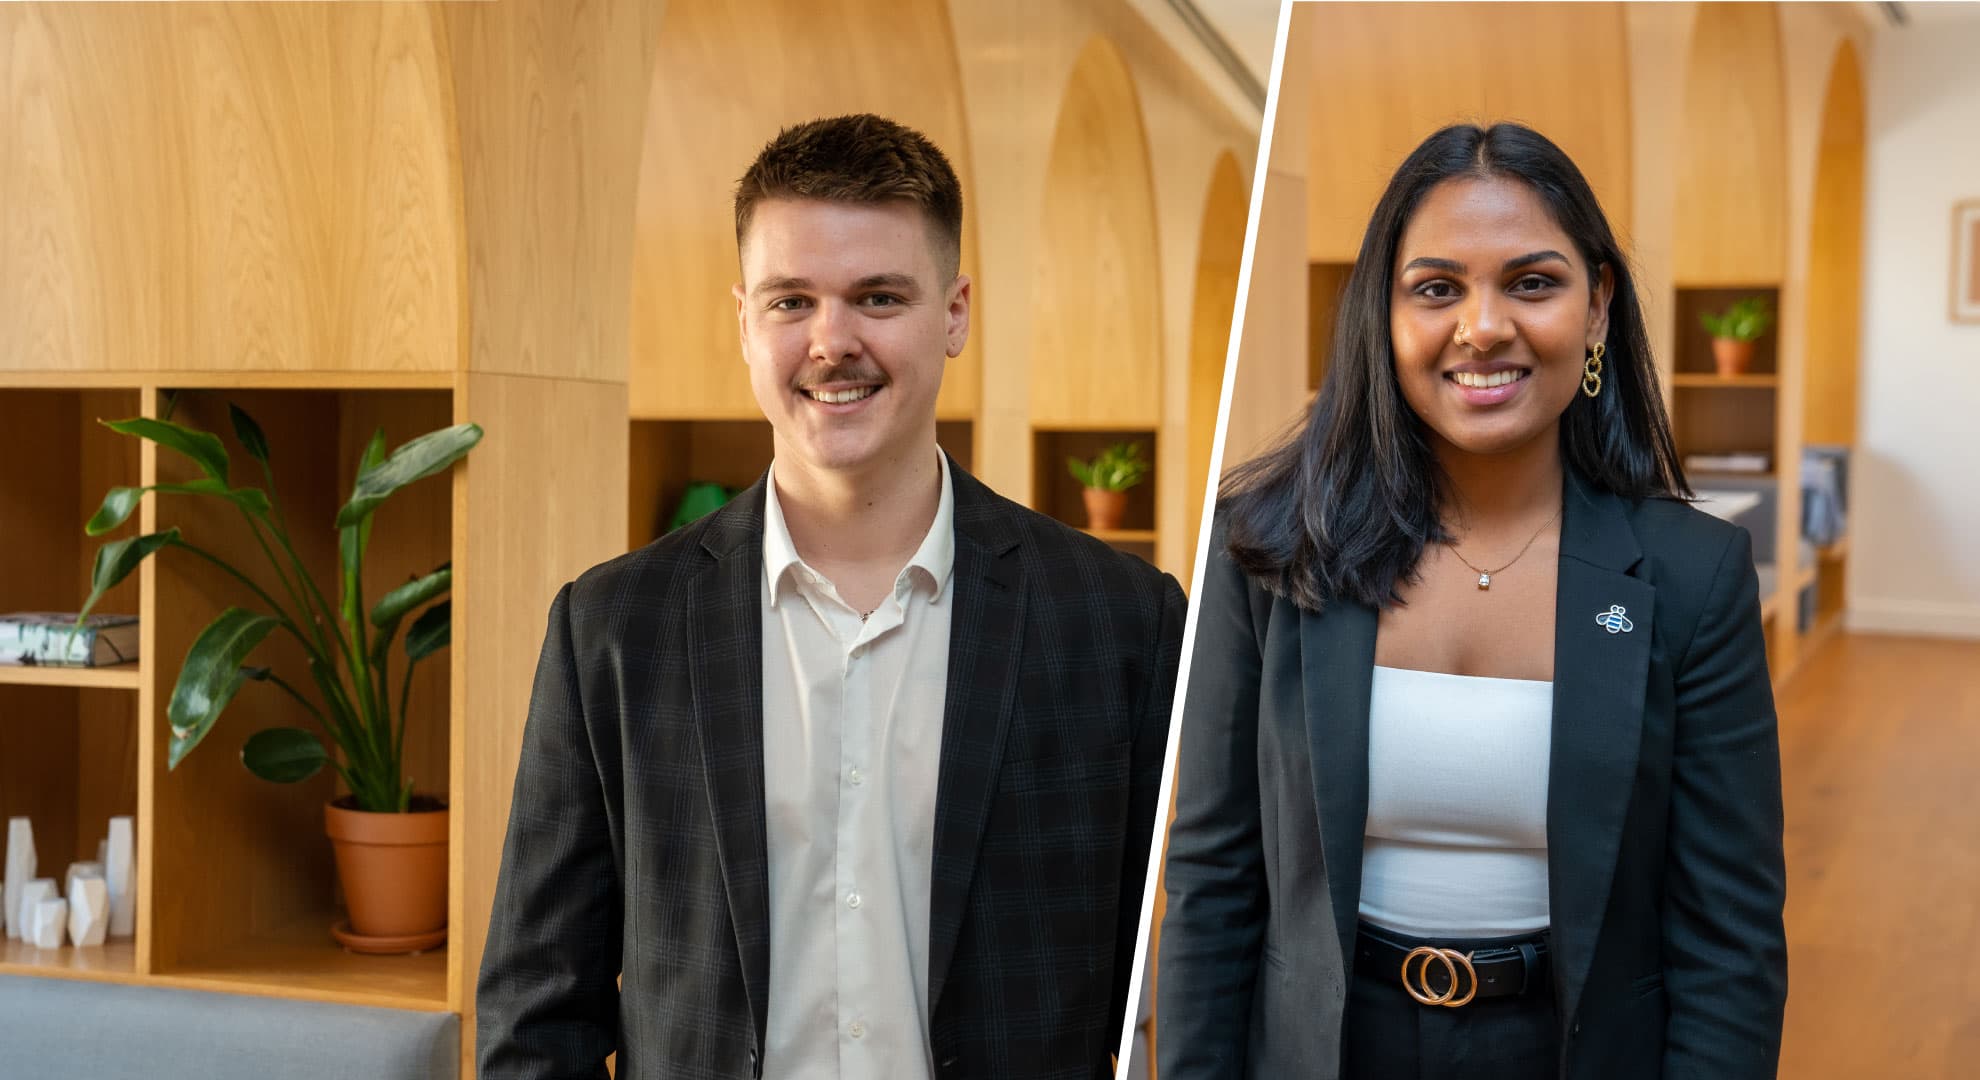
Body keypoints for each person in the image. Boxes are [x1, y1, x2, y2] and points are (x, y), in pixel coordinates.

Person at [477, 113, 1185, 1080]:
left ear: (955, 313)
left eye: (878, 296)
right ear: (743, 321)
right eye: (790, 301)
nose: (830, 342)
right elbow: (536, 1010)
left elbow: (1163, 989)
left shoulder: (1122, 623)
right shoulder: (612, 630)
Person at [1156, 123, 1786, 1078]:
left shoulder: (1691, 577)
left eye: (1532, 283)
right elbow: (1212, 879)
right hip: (1322, 1049)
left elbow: (1729, 940)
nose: (1482, 327)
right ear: (1384, 314)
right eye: (1436, 288)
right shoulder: (1268, 549)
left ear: (1598, 307)